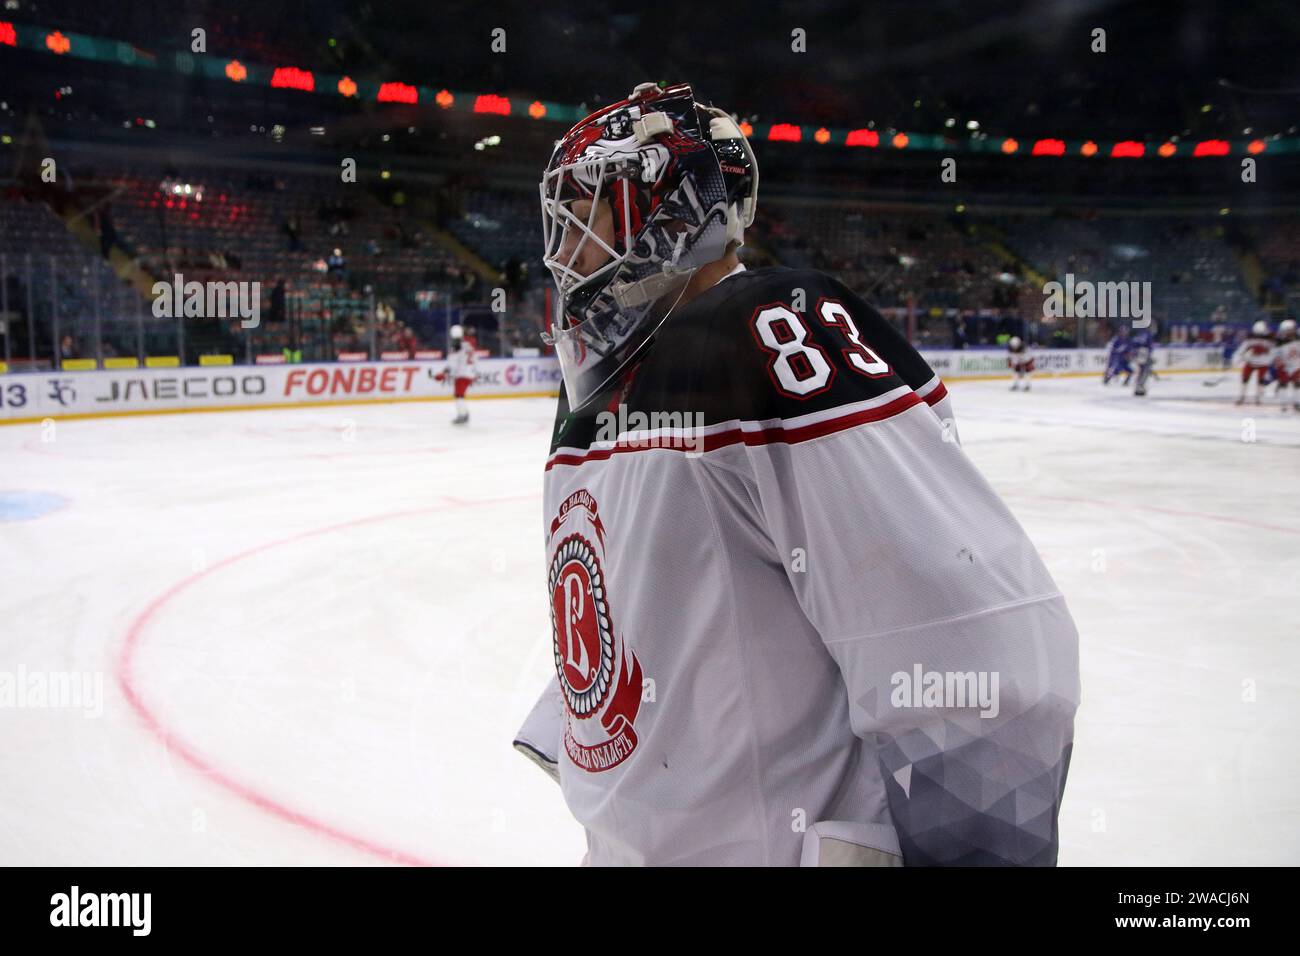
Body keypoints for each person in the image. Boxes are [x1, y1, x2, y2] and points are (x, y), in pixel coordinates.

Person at [513, 82, 1080, 867]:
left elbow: (969, 650)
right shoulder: (592, 394)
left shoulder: (770, 331)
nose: (562, 248)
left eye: (587, 210)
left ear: (670, 208)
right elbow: (636, 614)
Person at [434, 324, 475, 424]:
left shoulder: (457, 346)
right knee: (460, 395)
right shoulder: (468, 344)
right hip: (469, 373)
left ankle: (462, 415)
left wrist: (444, 374)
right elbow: (473, 358)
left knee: (458, 395)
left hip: (462, 374)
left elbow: (453, 363)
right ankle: (464, 413)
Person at [1233, 320, 1275, 405]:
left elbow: (1273, 352)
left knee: (1261, 381)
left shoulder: (1269, 340)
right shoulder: (1250, 339)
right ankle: (1242, 396)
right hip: (1251, 362)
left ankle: (1258, 398)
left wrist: (1266, 358)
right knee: (1245, 378)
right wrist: (1239, 358)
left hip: (1263, 363)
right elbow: (1241, 349)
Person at [1273, 318, 1299, 411]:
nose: (1288, 333)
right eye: (1286, 331)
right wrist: (1278, 362)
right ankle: (1283, 404)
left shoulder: (1298, 340)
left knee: (1298, 384)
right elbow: (1275, 355)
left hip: (1296, 365)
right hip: (1285, 366)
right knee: (1283, 384)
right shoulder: (1279, 342)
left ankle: (1297, 402)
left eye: (1290, 330)